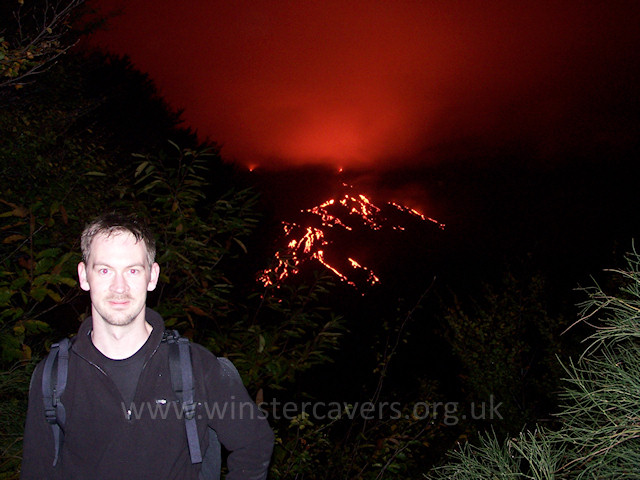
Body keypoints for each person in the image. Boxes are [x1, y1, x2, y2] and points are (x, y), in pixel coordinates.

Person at [21, 213, 274, 479]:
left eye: (133, 270)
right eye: (105, 270)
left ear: (152, 277)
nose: (119, 287)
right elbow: (36, 470)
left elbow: (255, 443)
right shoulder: (54, 377)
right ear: (84, 277)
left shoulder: (194, 367)